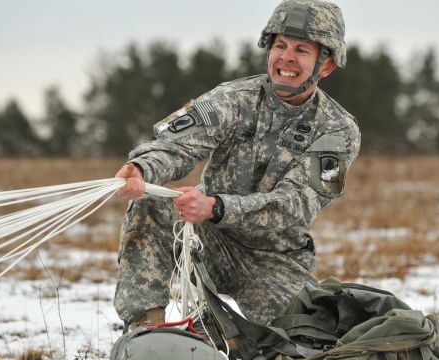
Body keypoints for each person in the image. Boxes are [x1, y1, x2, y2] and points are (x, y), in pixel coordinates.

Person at [113, 0, 360, 331]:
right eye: (280, 45)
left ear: (325, 65)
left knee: (304, 346)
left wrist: (217, 207)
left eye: (301, 50)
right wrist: (142, 168)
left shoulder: (338, 132)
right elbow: (179, 145)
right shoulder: (232, 99)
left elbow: (298, 204)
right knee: (150, 207)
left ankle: (225, 335)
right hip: (204, 237)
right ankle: (145, 329)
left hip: (275, 260)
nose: (286, 57)